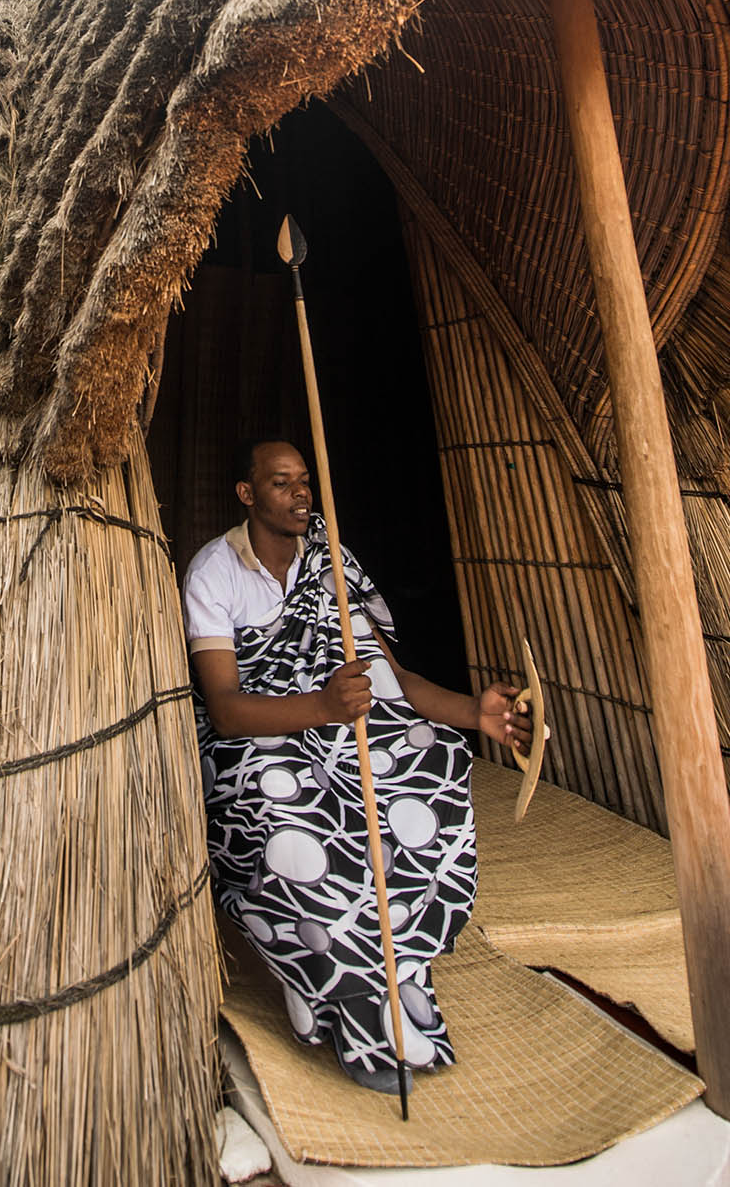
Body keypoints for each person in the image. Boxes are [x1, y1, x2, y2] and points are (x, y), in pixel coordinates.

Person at [182, 438, 533, 1092]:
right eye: (281, 482)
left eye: (305, 481)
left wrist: (474, 714)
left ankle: (401, 973)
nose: (299, 493)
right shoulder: (213, 572)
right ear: (247, 493)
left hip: (338, 725)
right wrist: (317, 703)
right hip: (256, 738)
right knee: (285, 808)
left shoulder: (332, 563)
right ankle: (340, 993)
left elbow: (389, 679)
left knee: (418, 764)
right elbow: (225, 709)